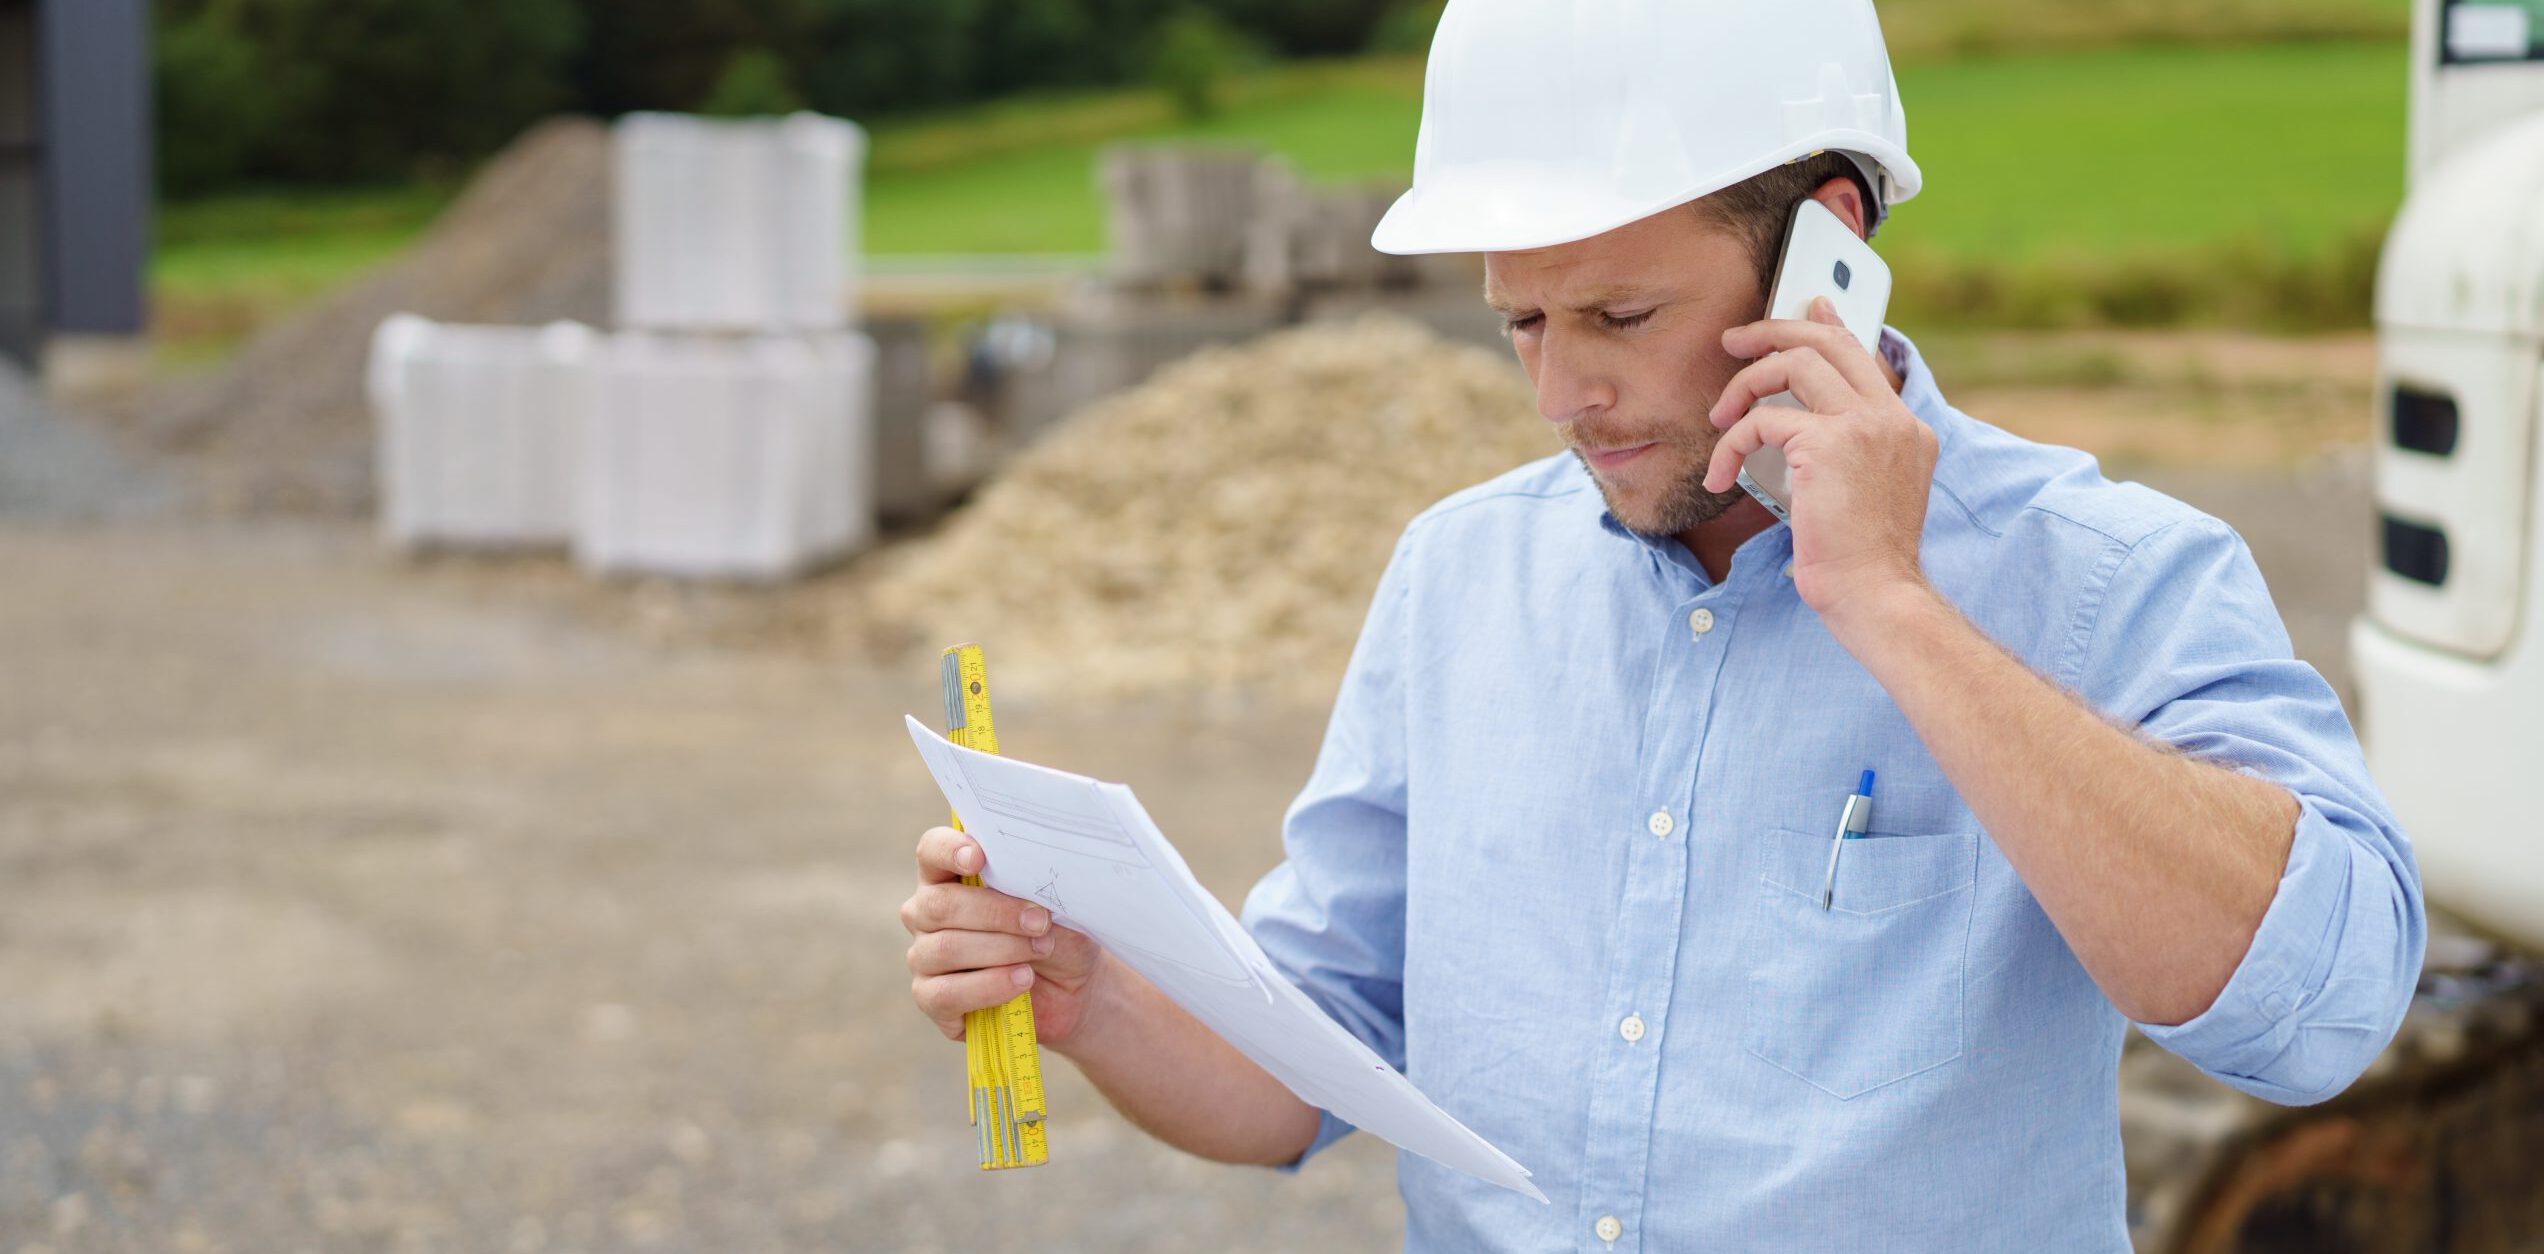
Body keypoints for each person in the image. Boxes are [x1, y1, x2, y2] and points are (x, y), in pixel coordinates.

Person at [899, 0, 2426, 1247]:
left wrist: (1890, 604)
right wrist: (1089, 995)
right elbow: (1300, 1070)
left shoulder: (2104, 572)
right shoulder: (1457, 577)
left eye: (1620, 317)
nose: (1560, 394)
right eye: (1522, 323)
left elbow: (2322, 1014)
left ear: (1827, 245)